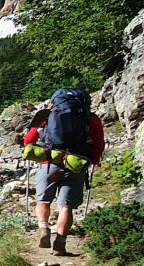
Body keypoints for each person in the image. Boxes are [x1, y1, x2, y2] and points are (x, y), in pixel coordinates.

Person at [23, 89, 105, 256]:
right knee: (66, 206)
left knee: (43, 200)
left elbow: (28, 141)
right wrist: (94, 160)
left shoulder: (47, 115)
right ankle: (60, 243)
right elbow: (99, 142)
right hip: (75, 164)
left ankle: (44, 228)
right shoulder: (91, 118)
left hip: (49, 163)